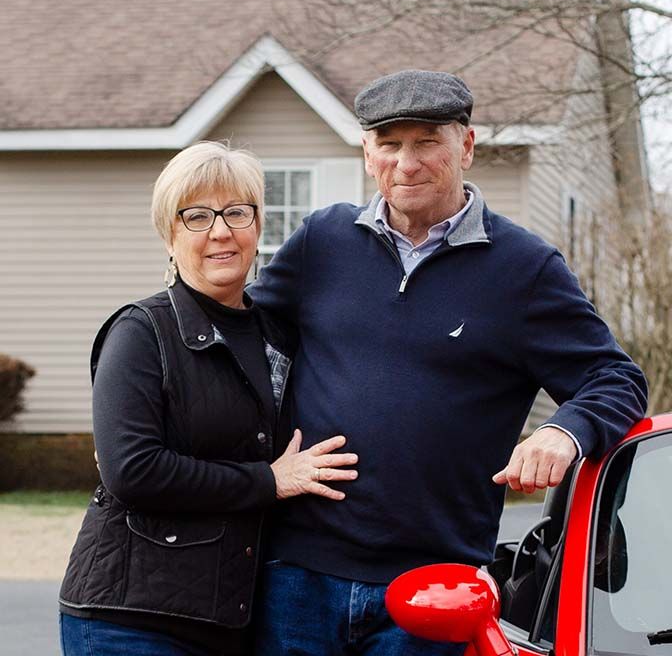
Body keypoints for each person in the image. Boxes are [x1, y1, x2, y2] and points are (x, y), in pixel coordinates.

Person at [249, 70, 648, 655]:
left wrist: (565, 432)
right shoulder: (320, 242)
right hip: (297, 575)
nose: (406, 163)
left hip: (435, 590)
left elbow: (615, 379)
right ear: (367, 154)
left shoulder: (526, 269)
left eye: (426, 141)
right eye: (389, 143)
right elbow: (234, 339)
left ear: (466, 145)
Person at [58, 141, 359, 656]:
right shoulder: (142, 331)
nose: (220, 231)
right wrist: (269, 480)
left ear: (258, 225)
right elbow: (132, 471)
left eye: (236, 212)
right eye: (196, 216)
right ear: (169, 235)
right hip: (130, 620)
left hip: (228, 620)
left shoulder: (277, 335)